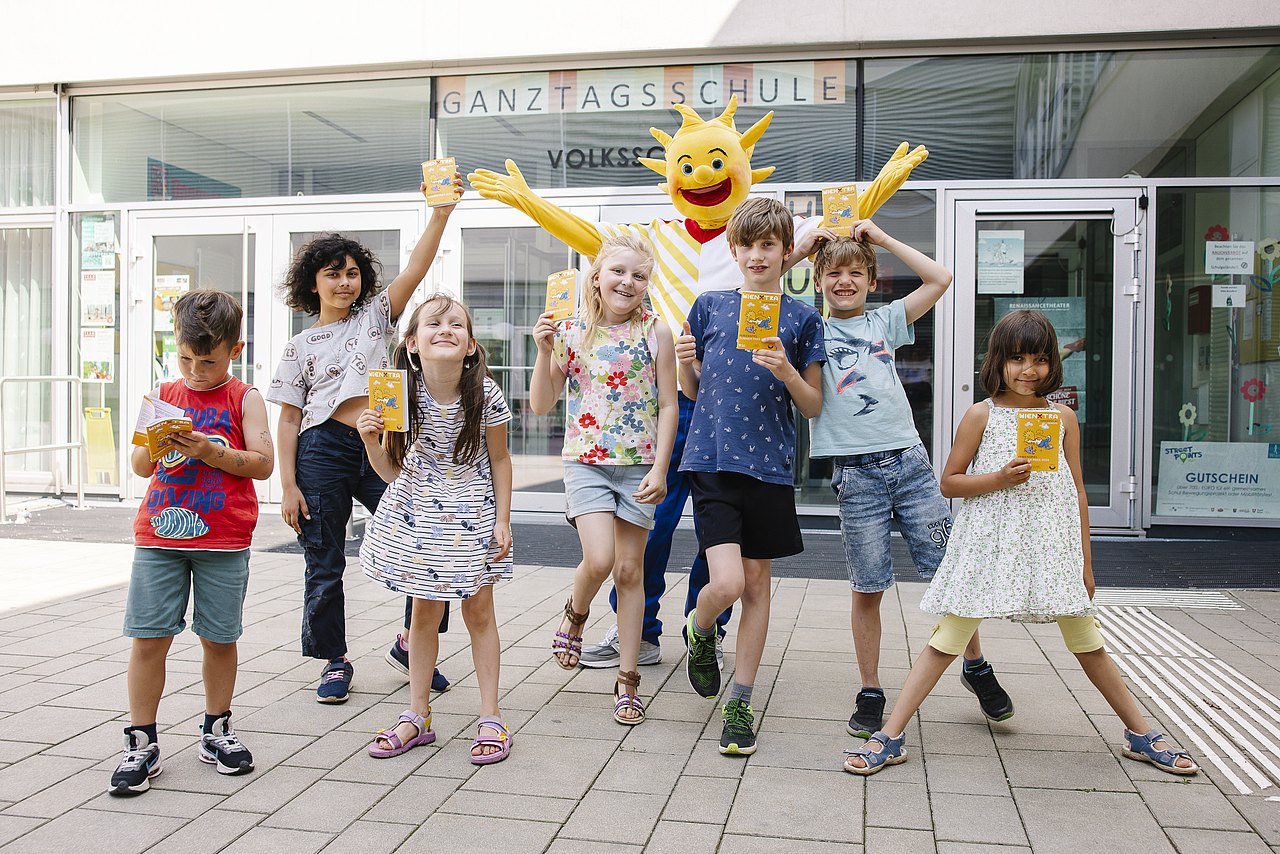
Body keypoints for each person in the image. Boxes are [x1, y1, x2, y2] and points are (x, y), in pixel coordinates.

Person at [471, 102, 926, 671]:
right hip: (665, 401)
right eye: (686, 166)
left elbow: (838, 219)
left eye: (715, 163)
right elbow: (591, 239)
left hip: (733, 410)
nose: (702, 176)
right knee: (652, 525)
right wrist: (529, 201)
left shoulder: (759, 234)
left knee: (721, 534)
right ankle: (638, 628)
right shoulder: (653, 238)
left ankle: (703, 627)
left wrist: (881, 185)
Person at [844, 310, 1200, 777]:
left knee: (1086, 639)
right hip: (987, 547)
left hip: (1049, 548)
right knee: (948, 638)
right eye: (1017, 358)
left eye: (1039, 358)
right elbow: (949, 483)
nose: (1028, 369)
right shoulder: (981, 414)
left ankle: (1140, 732)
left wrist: (1085, 563)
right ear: (998, 361)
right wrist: (997, 478)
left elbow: (1075, 489)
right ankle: (890, 736)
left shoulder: (1063, 417)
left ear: (1053, 363)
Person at [808, 224, 1013, 738]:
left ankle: (974, 663)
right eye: (833, 273)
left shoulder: (884, 321)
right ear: (818, 281)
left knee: (950, 573)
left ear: (872, 281)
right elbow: (760, 295)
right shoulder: (810, 330)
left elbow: (940, 277)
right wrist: (805, 249)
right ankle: (871, 689)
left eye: (856, 272)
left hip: (911, 466)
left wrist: (880, 238)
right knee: (868, 585)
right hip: (856, 477)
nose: (845, 281)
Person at [268, 173, 461, 704]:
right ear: (314, 283)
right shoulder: (299, 345)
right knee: (325, 559)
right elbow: (287, 419)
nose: (345, 283)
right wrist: (287, 485)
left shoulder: (378, 317)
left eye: (353, 273)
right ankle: (334, 660)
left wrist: (440, 213)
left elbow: (418, 268)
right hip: (322, 450)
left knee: (427, 543)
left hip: (385, 445)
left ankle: (410, 644)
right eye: (333, 275)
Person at [110, 289, 274, 796]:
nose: (195, 371)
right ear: (174, 345)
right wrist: (158, 442)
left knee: (219, 638)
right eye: (185, 357)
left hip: (224, 539)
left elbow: (264, 463)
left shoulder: (245, 398)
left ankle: (217, 728)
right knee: (149, 637)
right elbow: (140, 467)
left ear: (235, 350)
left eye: (208, 361)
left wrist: (209, 451)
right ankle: (141, 740)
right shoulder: (162, 394)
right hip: (159, 535)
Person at [677, 197, 824, 755]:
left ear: (789, 253)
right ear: (733, 250)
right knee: (730, 584)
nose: (758, 255)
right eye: (749, 245)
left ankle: (741, 697)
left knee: (758, 585)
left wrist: (786, 369)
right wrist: (686, 362)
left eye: (770, 245)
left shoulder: (803, 318)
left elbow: (811, 407)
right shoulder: (710, 306)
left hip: (768, 466)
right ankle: (700, 624)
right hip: (712, 461)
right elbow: (693, 391)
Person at [357, 293, 515, 764]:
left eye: (456, 324)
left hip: (473, 511)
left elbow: (501, 459)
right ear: (411, 344)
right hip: (418, 515)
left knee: (479, 612)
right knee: (422, 615)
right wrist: (369, 440)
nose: (445, 329)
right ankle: (417, 714)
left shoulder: (485, 394)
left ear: (469, 345)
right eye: (433, 323)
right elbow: (390, 472)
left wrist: (503, 520)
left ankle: (491, 714)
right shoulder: (397, 394)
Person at [529, 234, 678, 724]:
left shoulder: (657, 332)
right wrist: (543, 351)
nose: (627, 282)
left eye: (638, 275)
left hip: (639, 465)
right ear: (597, 276)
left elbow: (670, 404)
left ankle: (627, 681)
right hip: (587, 461)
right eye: (618, 271)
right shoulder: (572, 331)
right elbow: (542, 403)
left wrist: (660, 467)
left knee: (630, 572)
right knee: (600, 558)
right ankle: (575, 612)